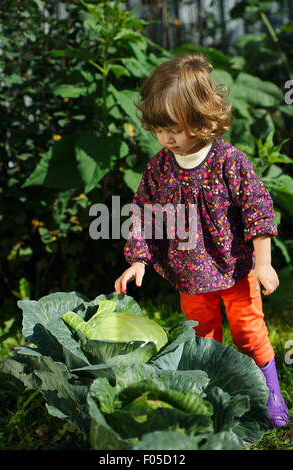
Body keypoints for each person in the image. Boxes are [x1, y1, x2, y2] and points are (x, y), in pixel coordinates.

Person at [114, 53, 290, 428]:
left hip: (236, 269)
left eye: (173, 129)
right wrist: (138, 259)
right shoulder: (160, 166)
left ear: (199, 116)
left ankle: (269, 389)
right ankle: (213, 391)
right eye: (158, 130)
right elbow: (143, 210)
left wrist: (263, 262)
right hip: (190, 275)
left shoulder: (229, 161)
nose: (165, 139)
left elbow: (258, 208)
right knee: (202, 336)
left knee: (248, 331)